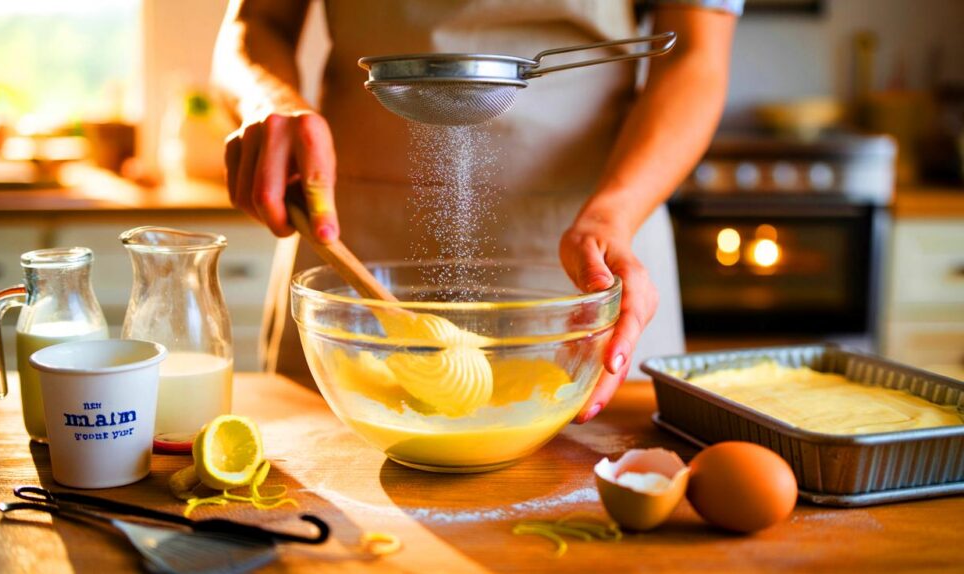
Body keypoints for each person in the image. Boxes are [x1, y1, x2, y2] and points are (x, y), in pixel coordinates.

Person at [213, 0, 741, 424]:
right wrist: (269, 104)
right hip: (354, 244)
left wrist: (616, 213)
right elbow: (255, 25)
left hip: (591, 239)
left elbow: (696, 52)